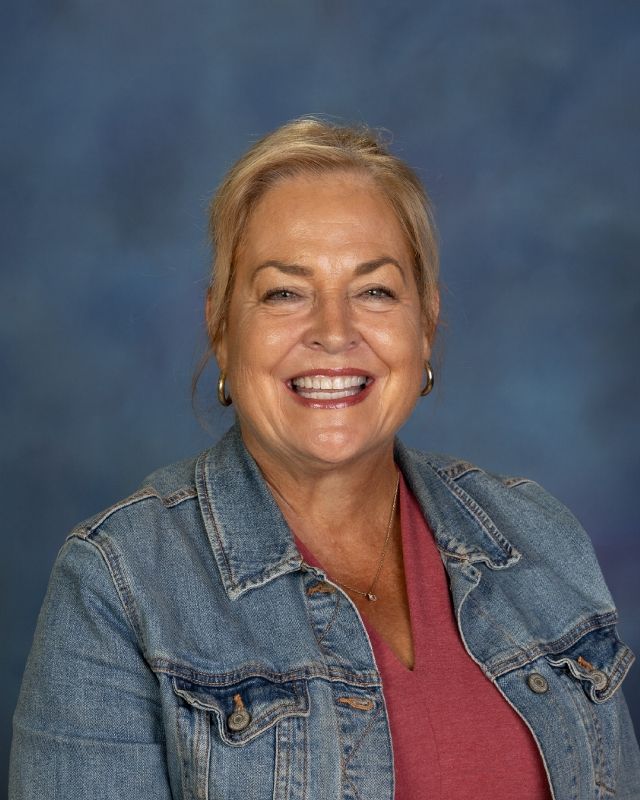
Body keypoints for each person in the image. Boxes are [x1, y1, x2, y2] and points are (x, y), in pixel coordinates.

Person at [9, 118, 640, 799]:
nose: (334, 333)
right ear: (221, 325)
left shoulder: (537, 537)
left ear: (424, 322)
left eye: (375, 291)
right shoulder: (118, 585)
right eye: (285, 292)